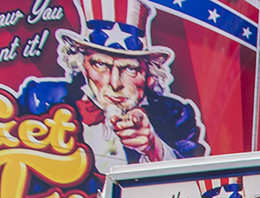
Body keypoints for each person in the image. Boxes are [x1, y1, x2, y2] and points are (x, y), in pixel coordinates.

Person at [19, 0, 204, 173]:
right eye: (100, 64)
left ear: (149, 75)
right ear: (82, 66)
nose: (115, 83)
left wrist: (153, 147)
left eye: (130, 69)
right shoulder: (40, 99)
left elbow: (197, 181)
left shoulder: (176, 115)